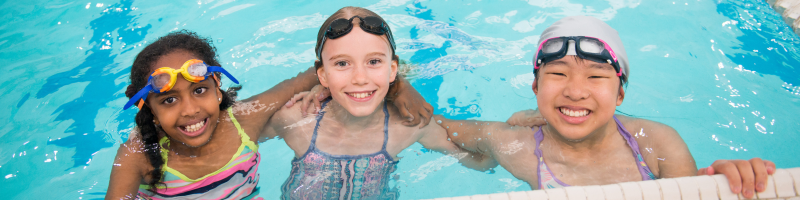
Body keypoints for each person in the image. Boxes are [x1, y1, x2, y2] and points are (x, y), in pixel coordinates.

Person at [434, 16, 774, 199]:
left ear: (620, 95)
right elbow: (434, 127)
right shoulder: (515, 144)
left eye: (596, 76)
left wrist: (730, 182)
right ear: (536, 87)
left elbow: (689, 194)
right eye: (558, 74)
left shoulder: (655, 144)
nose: (576, 91)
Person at [105, 30, 431, 199]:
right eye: (169, 100)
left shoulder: (247, 117)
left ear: (218, 87)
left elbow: (314, 75)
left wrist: (399, 85)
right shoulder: (138, 155)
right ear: (146, 106)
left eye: (200, 91)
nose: (190, 110)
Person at [265, 7, 496, 199]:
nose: (360, 78)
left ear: (393, 70)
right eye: (342, 64)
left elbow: (480, 162)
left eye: (374, 61)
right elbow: (239, 140)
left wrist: (516, 131)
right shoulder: (297, 119)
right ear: (323, 75)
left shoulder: (408, 127)